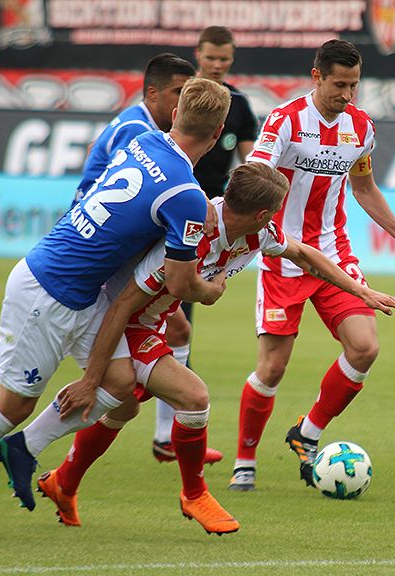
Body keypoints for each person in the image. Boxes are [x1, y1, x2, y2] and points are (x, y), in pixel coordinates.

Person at [0, 77, 232, 536]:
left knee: (119, 383)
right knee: (14, 403)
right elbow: (180, 280)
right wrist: (211, 289)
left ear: (176, 115)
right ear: (217, 134)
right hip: (49, 289)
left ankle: (23, 449)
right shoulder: (187, 196)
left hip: (81, 286)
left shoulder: (142, 141)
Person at [35, 163, 395, 529]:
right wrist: (93, 377)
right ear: (263, 213)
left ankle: (63, 482)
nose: (277, 220)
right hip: (120, 321)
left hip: (150, 322)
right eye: (277, 212)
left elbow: (304, 254)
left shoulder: (258, 233)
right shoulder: (189, 238)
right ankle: (193, 494)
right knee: (193, 397)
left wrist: (362, 291)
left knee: (123, 407)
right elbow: (122, 306)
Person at [0, 52, 201, 455]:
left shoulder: (136, 124)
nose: (181, 103)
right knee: (162, 339)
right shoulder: (140, 132)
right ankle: (152, 435)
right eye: (178, 92)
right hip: (92, 254)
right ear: (153, 92)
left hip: (88, 245)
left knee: (19, 346)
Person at [228, 39, 395, 492]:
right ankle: (245, 460)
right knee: (273, 368)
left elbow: (364, 188)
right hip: (284, 257)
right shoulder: (284, 121)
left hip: (333, 256)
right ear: (316, 76)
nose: (347, 94)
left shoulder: (360, 128)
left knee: (364, 347)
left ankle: (308, 433)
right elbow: (253, 180)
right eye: (339, 84)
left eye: (354, 85)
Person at [152, 25, 260, 465]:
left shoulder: (239, 106)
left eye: (225, 60)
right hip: (164, 212)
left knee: (177, 323)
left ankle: (164, 434)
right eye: (212, 58)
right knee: (165, 322)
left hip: (207, 225)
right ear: (199, 55)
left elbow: (252, 164)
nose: (218, 65)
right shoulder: (184, 100)